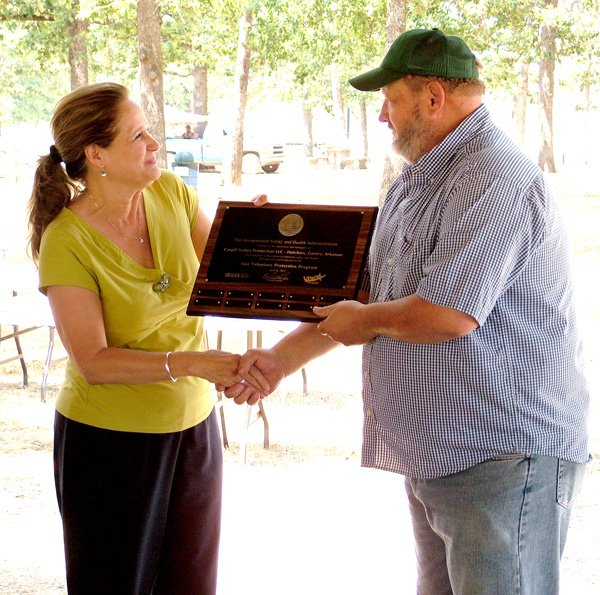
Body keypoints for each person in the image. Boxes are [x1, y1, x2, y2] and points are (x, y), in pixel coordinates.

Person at [222, 29, 591, 594]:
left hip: (499, 448)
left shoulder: (492, 172)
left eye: (390, 100)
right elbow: (367, 292)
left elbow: (448, 313)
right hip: (444, 445)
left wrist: (360, 323)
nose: (382, 117)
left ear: (434, 98)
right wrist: (278, 360)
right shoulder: (420, 178)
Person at [27, 82, 267, 594]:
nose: (156, 144)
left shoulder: (170, 193)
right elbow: (94, 361)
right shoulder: (65, 241)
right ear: (96, 155)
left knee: (191, 583)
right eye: (138, 136)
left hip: (194, 427)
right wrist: (192, 363)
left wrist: (262, 233)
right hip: (108, 442)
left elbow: (229, 275)